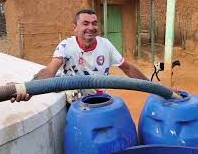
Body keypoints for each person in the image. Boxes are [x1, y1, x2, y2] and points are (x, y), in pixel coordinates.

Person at [11, 9, 151, 103]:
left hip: (99, 100)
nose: (91, 27)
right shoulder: (66, 46)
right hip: (74, 105)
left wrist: (153, 87)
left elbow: (127, 68)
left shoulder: (106, 45)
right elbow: (50, 71)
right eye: (85, 23)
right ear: (75, 27)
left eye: (94, 23)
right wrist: (29, 88)